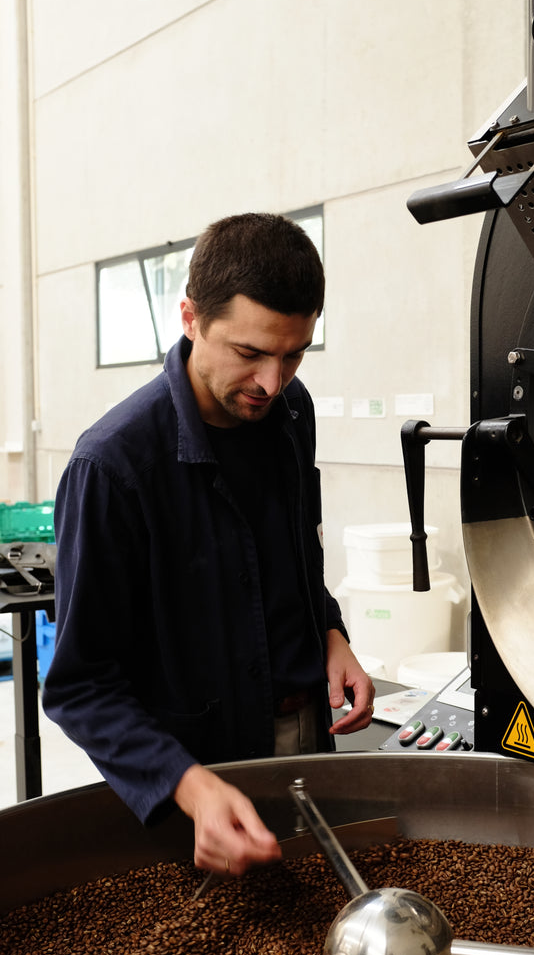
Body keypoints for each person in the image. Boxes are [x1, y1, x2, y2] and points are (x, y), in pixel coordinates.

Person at [43, 212, 375, 875]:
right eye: (249, 353)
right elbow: (80, 685)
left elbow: (293, 552)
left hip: (305, 735)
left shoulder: (291, 412)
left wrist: (331, 633)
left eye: (294, 353)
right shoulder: (112, 467)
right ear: (190, 317)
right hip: (195, 777)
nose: (272, 383)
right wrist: (187, 785)